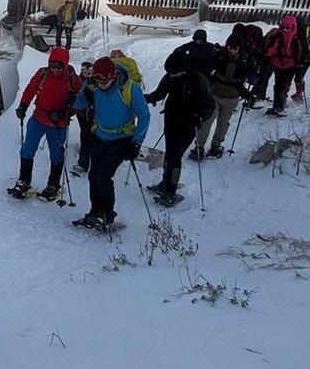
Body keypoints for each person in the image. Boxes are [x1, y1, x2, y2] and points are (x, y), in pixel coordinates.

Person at [72, 56, 150, 230]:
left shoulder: (130, 89)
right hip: (99, 136)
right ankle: (95, 212)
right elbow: (79, 102)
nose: (100, 84)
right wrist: (77, 97)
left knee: (103, 176)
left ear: (113, 75)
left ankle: (107, 215)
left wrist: (136, 143)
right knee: (93, 176)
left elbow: (145, 116)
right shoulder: (92, 84)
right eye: (97, 79)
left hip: (121, 139)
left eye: (103, 80)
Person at [13, 46, 81, 200]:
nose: (55, 69)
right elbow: (30, 89)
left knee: (56, 154)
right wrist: (23, 105)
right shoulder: (42, 73)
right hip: (38, 118)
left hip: (57, 125)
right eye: (52, 65)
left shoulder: (73, 79)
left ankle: (53, 185)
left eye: (59, 66)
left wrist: (68, 111)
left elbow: (80, 103)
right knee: (27, 150)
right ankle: (23, 181)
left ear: (65, 64)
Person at [144, 57, 215, 204]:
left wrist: (201, 117)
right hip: (171, 120)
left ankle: (171, 191)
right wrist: (145, 99)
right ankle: (165, 183)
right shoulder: (170, 75)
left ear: (184, 70)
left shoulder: (198, 80)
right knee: (170, 154)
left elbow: (209, 105)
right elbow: (159, 93)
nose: (172, 76)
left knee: (175, 157)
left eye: (175, 73)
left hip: (189, 124)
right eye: (170, 73)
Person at [194, 33, 253, 158]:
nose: (231, 49)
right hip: (214, 93)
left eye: (235, 47)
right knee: (207, 120)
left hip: (232, 97)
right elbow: (207, 67)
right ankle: (199, 146)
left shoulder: (245, 60)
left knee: (223, 123)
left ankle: (216, 146)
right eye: (229, 46)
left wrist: (253, 79)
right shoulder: (219, 56)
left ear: (240, 48)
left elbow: (253, 73)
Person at [262, 15, 307, 116]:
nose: (285, 30)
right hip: (278, 63)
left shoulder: (298, 37)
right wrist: (266, 52)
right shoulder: (278, 36)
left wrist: (301, 63)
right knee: (277, 85)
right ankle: (276, 106)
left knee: (284, 85)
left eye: (288, 27)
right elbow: (273, 48)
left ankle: (280, 106)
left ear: (293, 27)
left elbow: (303, 52)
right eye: (283, 27)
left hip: (291, 65)